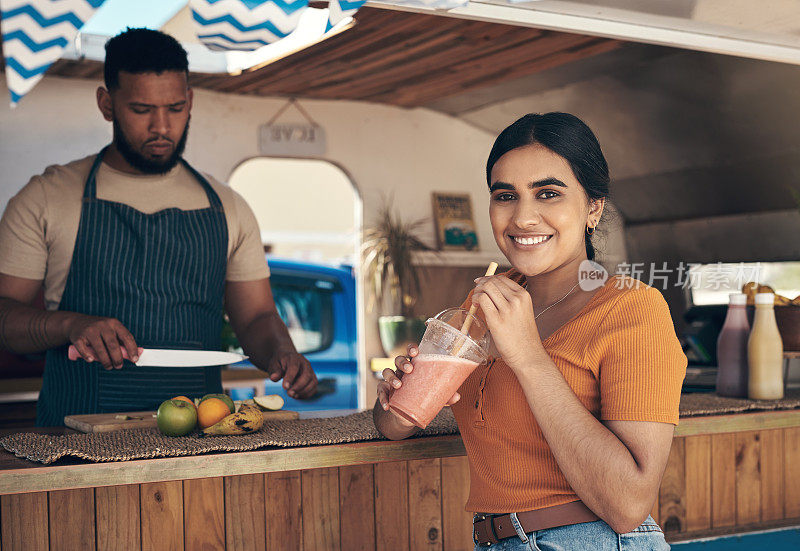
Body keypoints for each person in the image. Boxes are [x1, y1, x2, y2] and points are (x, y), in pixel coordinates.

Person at [374, 113, 686, 549]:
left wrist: (527, 356)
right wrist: (396, 397)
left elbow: (628, 505)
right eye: (506, 195)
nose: (522, 217)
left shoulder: (633, 310)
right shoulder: (486, 302)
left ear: (593, 208)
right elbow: (394, 427)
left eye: (548, 193)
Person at [0, 28, 317, 426]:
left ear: (190, 101)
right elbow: (4, 320)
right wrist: (70, 324)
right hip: (78, 449)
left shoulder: (228, 208)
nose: (162, 127)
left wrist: (281, 353)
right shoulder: (48, 197)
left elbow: (255, 318)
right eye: (141, 109)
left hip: (199, 443)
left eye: (175, 107)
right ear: (107, 104)